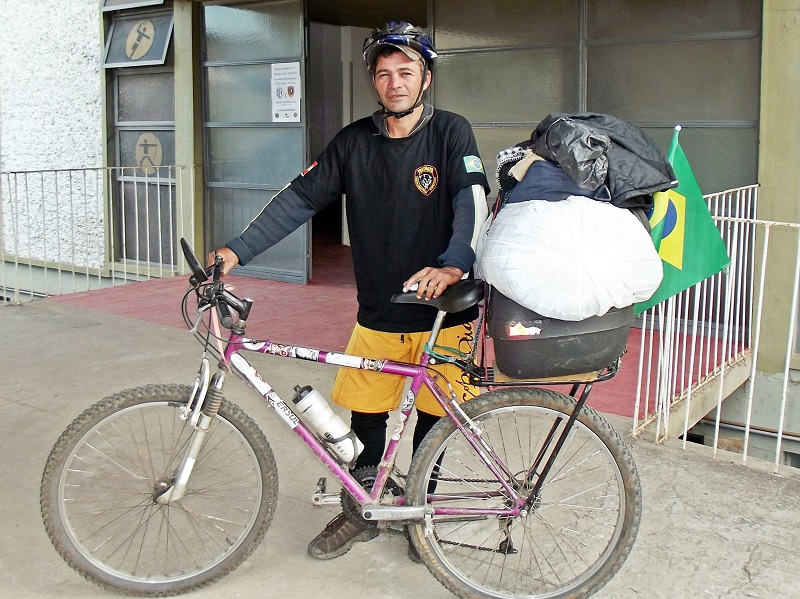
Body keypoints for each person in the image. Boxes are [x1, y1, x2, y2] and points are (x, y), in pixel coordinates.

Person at [211, 21, 490, 561]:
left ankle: (419, 519)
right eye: (384, 74)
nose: (395, 83)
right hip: (380, 311)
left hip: (444, 315)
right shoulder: (353, 142)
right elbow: (298, 199)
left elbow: (471, 200)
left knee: (434, 424)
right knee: (367, 419)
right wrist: (236, 250)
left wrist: (455, 265)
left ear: (426, 78)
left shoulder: (452, 132)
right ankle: (361, 511)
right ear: (374, 81)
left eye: (406, 72)